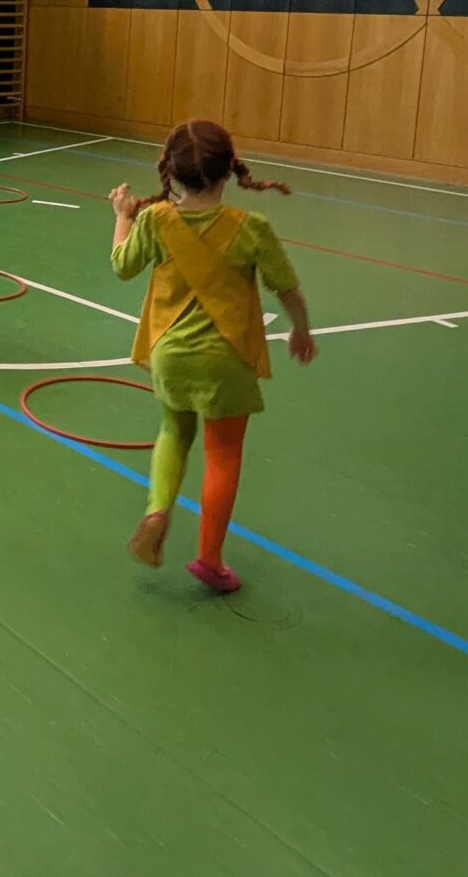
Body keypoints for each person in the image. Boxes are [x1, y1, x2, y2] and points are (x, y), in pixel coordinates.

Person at [109, 119, 314, 595]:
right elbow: (287, 288)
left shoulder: (155, 220)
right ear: (228, 171)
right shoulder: (251, 228)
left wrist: (122, 215)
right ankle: (209, 560)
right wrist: (301, 330)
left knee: (172, 430)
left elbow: (121, 266)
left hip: (169, 351)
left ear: (171, 171)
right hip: (227, 356)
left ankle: (157, 511)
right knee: (222, 453)